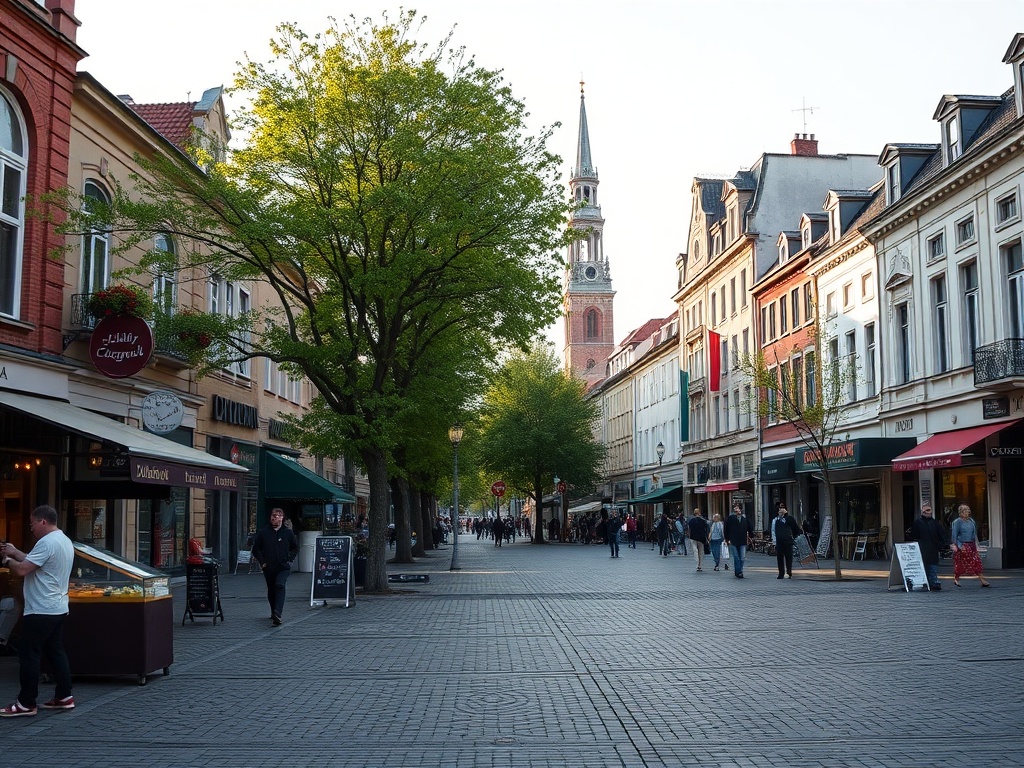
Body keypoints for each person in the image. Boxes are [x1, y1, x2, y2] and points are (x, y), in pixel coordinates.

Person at [0, 505, 75, 717]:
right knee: (56, 651)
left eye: (32, 523)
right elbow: (37, 562)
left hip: (41, 608)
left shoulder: (46, 542)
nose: (31, 527)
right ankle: (64, 696)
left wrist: (8, 560)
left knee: (28, 655)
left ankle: (26, 703)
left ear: (43, 521)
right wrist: (15, 551)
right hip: (58, 607)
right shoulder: (63, 540)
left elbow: (24, 569)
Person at [252, 508, 298, 626]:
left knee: (280, 585)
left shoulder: (287, 533)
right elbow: (256, 549)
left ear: (282, 518)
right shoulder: (264, 532)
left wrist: (289, 559)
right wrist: (262, 562)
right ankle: (273, 611)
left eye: (277, 516)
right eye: (273, 515)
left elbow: (295, 548)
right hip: (269, 567)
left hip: (283, 566)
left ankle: (278, 613)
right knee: (272, 589)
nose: (274, 518)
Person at [950, 503, 990, 588]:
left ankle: (982, 580)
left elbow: (974, 534)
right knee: (960, 563)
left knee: (976, 562)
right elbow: (954, 535)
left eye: (968, 509)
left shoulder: (971, 521)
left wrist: (977, 545)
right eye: (966, 510)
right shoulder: (957, 522)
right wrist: (959, 546)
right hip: (963, 545)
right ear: (961, 512)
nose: (968, 511)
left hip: (971, 545)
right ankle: (956, 579)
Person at [911, 503, 948, 591]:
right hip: (922, 548)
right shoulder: (918, 522)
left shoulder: (934, 522)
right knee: (924, 565)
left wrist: (943, 545)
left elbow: (941, 534)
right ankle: (926, 582)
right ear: (922, 512)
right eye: (926, 511)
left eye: (930, 511)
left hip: (933, 548)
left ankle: (933, 582)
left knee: (933, 566)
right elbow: (914, 535)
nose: (929, 513)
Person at [771, 503, 802, 579]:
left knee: (789, 557)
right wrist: (774, 541)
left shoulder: (788, 519)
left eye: (782, 509)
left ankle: (789, 572)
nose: (781, 511)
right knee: (780, 558)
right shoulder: (775, 520)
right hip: (779, 541)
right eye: (779, 510)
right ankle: (781, 573)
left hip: (788, 541)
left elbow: (795, 527)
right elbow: (773, 531)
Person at [724, 503, 754, 579]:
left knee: (742, 557)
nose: (736, 509)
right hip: (733, 540)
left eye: (737, 508)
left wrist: (751, 536)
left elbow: (750, 528)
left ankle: (739, 570)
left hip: (743, 540)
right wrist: (727, 539)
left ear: (741, 509)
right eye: (735, 508)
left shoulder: (745, 519)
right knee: (736, 557)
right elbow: (726, 529)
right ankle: (739, 572)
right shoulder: (731, 518)